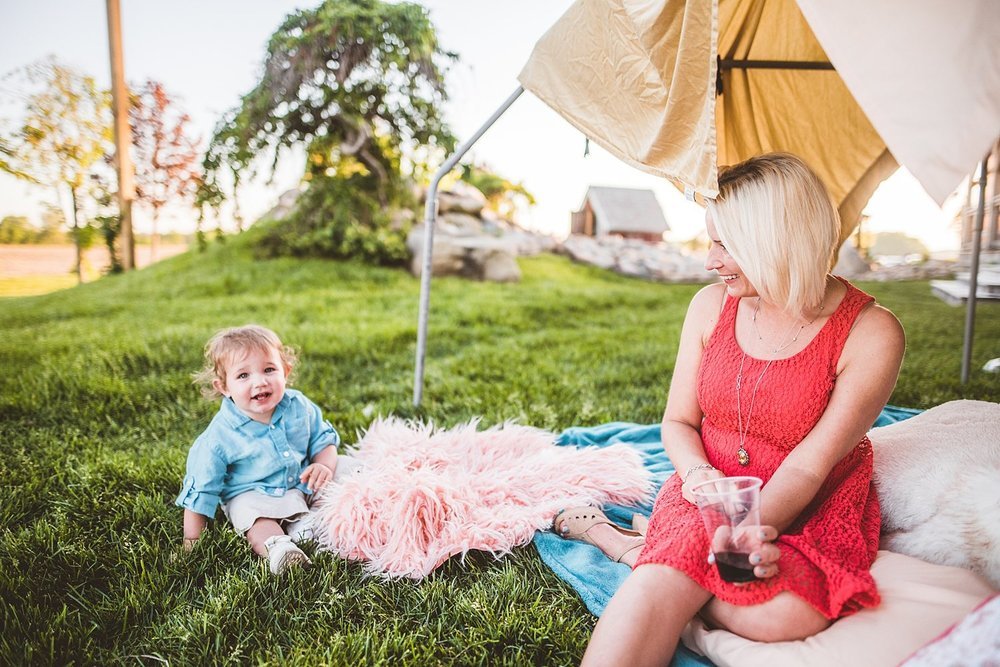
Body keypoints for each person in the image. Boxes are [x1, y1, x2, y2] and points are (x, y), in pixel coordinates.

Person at [555, 153, 905, 665]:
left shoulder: (871, 332)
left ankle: (640, 546)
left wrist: (748, 528)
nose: (709, 261)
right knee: (663, 585)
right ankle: (638, 548)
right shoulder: (708, 306)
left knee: (784, 616)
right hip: (709, 484)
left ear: (778, 240)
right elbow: (677, 423)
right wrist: (700, 482)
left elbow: (811, 465)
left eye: (725, 244)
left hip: (809, 495)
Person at [176, 324, 344, 575]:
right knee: (253, 516)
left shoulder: (298, 405)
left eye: (269, 369)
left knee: (346, 467)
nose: (259, 381)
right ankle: (278, 548)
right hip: (252, 493)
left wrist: (323, 464)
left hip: (303, 480)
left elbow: (323, 439)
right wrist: (191, 540)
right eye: (243, 376)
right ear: (224, 387)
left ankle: (320, 526)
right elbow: (201, 488)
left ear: (285, 371)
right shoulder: (218, 438)